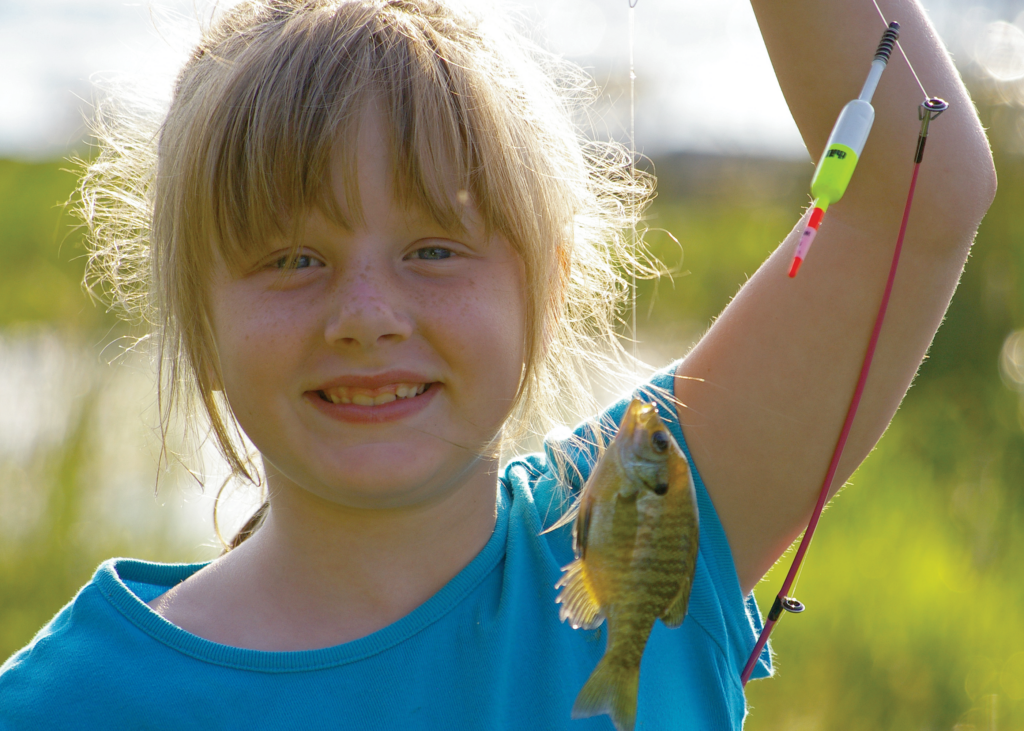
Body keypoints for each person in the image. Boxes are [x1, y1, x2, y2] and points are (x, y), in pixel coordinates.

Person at [0, 0, 995, 728]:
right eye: (292, 258)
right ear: (196, 314)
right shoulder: (64, 701)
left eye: (435, 248)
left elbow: (917, 185)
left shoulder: (658, 508)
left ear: (545, 287)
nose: (368, 315)